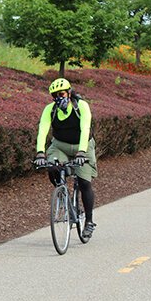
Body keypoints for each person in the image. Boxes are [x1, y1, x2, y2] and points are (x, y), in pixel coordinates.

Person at [34, 78, 97, 239]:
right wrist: (40, 153)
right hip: (60, 145)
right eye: (54, 95)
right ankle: (62, 195)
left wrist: (82, 152)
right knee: (52, 167)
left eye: (61, 94)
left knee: (84, 182)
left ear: (69, 92)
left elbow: (85, 129)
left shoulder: (81, 106)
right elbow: (42, 131)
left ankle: (89, 222)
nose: (58, 98)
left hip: (82, 146)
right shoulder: (50, 110)